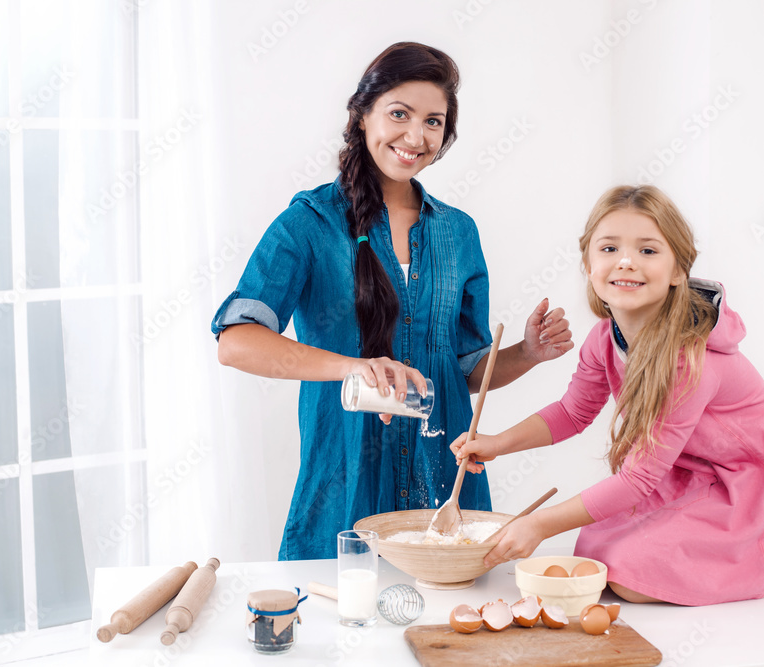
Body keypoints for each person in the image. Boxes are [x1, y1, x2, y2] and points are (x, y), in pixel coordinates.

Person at [213, 42, 573, 560]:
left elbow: (465, 372)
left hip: (445, 486)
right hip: (345, 478)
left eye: (433, 121)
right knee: (346, 624)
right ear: (363, 116)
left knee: (447, 629)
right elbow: (236, 343)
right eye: (399, 114)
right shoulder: (309, 223)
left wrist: (527, 353)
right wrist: (354, 368)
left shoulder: (458, 233)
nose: (415, 136)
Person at [451, 185, 764, 605]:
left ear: (678, 270)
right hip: (683, 473)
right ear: (588, 264)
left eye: (648, 251)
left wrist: (539, 524)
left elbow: (637, 479)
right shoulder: (605, 337)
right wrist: (496, 444)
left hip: (743, 484)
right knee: (595, 556)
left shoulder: (688, 359)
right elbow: (572, 412)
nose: (626, 261)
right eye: (609, 248)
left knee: (629, 578)